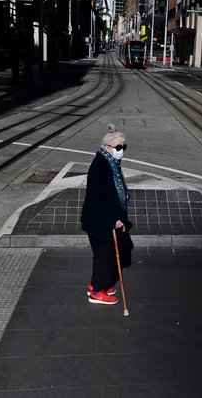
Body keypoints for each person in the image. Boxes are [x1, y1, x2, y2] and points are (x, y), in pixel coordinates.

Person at [80, 124, 133, 305]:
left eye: (123, 147)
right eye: (118, 147)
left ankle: (96, 285)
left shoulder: (109, 161)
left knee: (102, 255)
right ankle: (96, 292)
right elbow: (100, 199)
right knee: (106, 256)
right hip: (100, 221)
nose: (121, 151)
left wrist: (114, 133)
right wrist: (113, 221)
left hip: (98, 219)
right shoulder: (101, 166)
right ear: (106, 147)